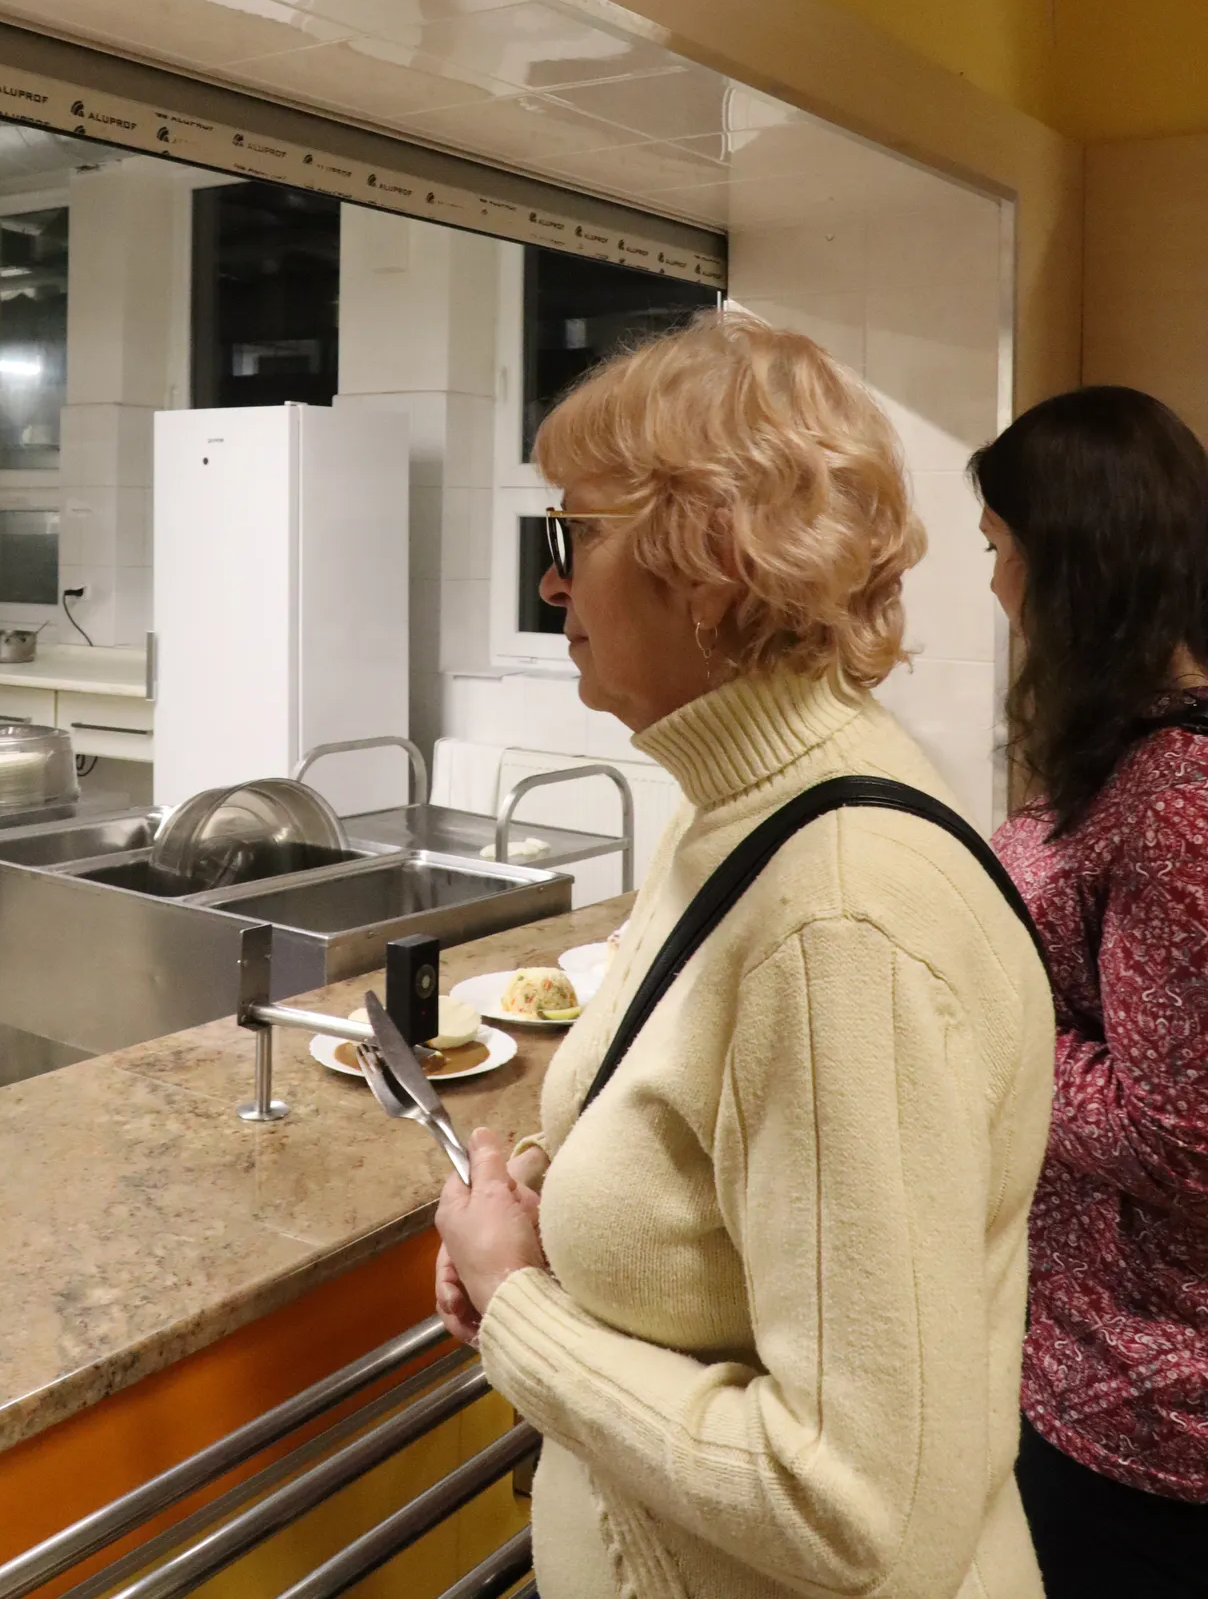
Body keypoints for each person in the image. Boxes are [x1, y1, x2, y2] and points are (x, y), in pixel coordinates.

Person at [435, 310, 1055, 1599]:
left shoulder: (837, 922)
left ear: (710, 560)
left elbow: (860, 1515)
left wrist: (521, 1314)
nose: (553, 583)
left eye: (574, 534)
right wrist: (548, 1201)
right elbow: (705, 1128)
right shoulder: (738, 810)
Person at [974, 386, 1208, 1598]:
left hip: (1145, 1414)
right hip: (1091, 1369)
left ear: (1071, 564)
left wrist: (987, 1019)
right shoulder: (1142, 750)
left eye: (999, 549)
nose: (994, 586)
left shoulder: (1178, 805)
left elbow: (1177, 1136)